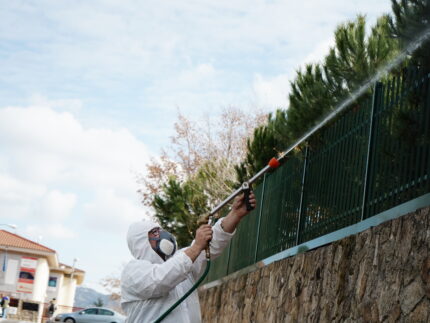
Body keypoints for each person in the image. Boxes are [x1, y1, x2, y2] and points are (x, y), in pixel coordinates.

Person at [121, 192, 256, 323]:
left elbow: (211, 244)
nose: (163, 234)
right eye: (155, 232)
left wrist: (235, 214)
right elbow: (159, 280)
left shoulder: (182, 261)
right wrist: (196, 247)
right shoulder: (133, 272)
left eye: (160, 230)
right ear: (142, 243)